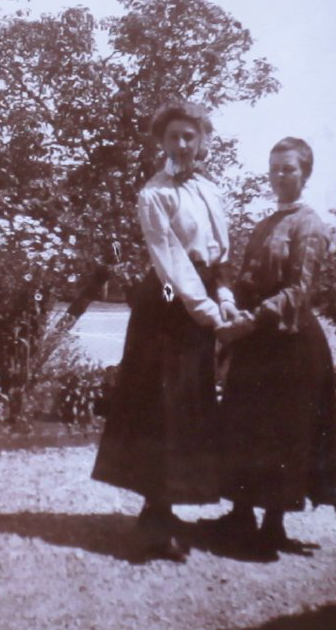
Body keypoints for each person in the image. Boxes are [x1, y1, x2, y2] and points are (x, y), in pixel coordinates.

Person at [92, 99, 236, 561]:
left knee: (190, 406)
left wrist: (227, 296)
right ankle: (157, 517)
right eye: (173, 136)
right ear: (162, 142)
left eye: (189, 136)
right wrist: (211, 314)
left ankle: (164, 506)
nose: (181, 143)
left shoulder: (211, 191)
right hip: (169, 305)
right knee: (163, 409)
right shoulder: (153, 194)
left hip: (200, 302)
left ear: (203, 141)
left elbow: (220, 252)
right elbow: (172, 262)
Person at [218, 137, 336, 556]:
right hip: (256, 340)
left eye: (288, 169)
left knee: (279, 433)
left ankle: (272, 527)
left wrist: (253, 321)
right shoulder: (265, 223)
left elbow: (299, 289)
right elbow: (245, 278)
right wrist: (231, 309)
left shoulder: (310, 225)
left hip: (289, 343)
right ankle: (239, 515)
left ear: (305, 174)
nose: (279, 176)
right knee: (242, 424)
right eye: (273, 168)